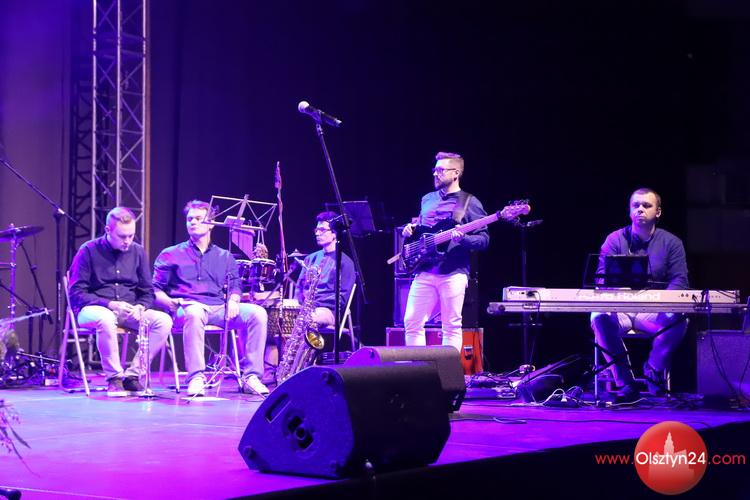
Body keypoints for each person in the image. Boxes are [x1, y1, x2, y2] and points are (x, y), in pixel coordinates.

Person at [153, 200, 269, 397]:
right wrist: (170, 303)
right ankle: (196, 377)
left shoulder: (225, 256)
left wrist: (234, 300)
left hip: (217, 308)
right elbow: (155, 290)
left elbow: (235, 285)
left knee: (257, 313)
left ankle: (251, 377)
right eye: (190, 219)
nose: (193, 222)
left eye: (199, 219)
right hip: (187, 308)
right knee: (195, 312)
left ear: (211, 224)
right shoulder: (171, 254)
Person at [591, 187, 689, 401]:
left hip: (652, 311)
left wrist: (662, 301)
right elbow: (600, 278)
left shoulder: (672, 243)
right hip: (620, 309)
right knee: (598, 316)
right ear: (629, 210)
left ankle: (653, 369)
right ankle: (626, 383)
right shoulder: (614, 239)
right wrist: (614, 289)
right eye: (636, 205)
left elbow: (679, 281)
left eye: (646, 205)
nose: (640, 209)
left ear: (658, 212)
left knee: (680, 319)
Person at [69, 207, 173, 396]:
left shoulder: (138, 252)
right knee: (106, 318)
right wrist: (110, 304)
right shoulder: (88, 251)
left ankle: (133, 376)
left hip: (129, 310)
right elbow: (76, 293)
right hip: (94, 309)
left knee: (163, 321)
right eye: (122, 236)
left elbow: (147, 292)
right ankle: (114, 378)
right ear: (108, 230)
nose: (127, 241)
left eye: (131, 236)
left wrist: (141, 307)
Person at [402, 152, 490, 352]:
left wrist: (463, 239)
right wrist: (411, 230)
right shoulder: (427, 199)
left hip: (453, 272)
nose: (435, 174)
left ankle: (449, 370)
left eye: (441, 170)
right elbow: (423, 230)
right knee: (412, 322)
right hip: (424, 270)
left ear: (456, 173)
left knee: (451, 325)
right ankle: (417, 367)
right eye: (435, 170)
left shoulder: (469, 202)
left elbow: (484, 240)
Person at [294, 211, 356, 329]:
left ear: (334, 234)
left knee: (307, 319)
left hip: (327, 311)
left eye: (322, 230)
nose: (317, 233)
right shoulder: (310, 259)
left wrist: (314, 304)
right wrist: (297, 306)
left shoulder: (345, 262)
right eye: (316, 230)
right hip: (305, 308)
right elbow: (299, 287)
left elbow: (342, 299)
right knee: (279, 315)